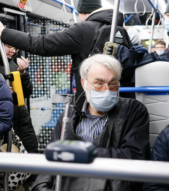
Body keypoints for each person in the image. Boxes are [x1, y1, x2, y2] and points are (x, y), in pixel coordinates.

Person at [32, 54, 150, 191]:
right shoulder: (68, 116)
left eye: (113, 84)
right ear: (84, 83)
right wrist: (41, 187)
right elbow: (51, 159)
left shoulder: (133, 111)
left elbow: (134, 156)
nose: (106, 90)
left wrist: (79, 153)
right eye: (99, 83)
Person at [0, 0, 124, 100]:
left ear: (80, 12)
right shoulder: (118, 31)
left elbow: (41, 44)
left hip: (91, 102)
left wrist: (3, 32)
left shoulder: (83, 30)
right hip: (115, 97)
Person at [0, 45, 38, 153]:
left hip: (21, 117)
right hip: (6, 121)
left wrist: (22, 74)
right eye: (9, 47)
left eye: (15, 48)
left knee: (31, 152)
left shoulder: (12, 64)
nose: (13, 51)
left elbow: (26, 93)